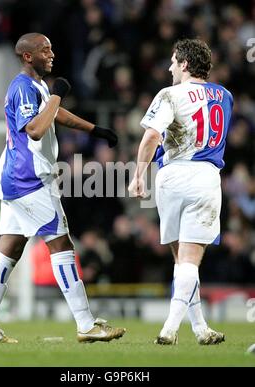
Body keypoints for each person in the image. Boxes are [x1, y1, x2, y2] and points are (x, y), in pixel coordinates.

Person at [0, 32, 125, 343]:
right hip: (29, 179)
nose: (51, 54)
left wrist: (94, 129)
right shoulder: (24, 87)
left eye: (52, 48)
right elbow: (37, 130)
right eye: (45, 50)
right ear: (28, 56)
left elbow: (54, 114)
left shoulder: (35, 86)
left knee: (10, 248)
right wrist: (57, 95)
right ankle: (86, 325)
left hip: (16, 176)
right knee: (62, 245)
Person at [128, 38, 233, 345]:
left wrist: (138, 176)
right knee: (189, 260)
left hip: (171, 176)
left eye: (174, 61)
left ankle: (199, 329)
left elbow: (150, 137)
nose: (170, 66)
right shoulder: (225, 96)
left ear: (185, 64)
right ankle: (170, 329)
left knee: (182, 262)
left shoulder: (170, 94)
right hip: (204, 176)